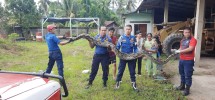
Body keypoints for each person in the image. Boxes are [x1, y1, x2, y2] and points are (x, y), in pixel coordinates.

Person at [174, 27, 197, 96]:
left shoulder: (193, 40)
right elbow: (181, 47)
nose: (187, 33)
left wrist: (180, 51)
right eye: (185, 32)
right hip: (182, 59)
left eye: (188, 32)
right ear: (183, 33)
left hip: (188, 60)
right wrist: (176, 50)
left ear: (190, 32)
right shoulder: (183, 40)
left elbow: (190, 49)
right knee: (182, 73)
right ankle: (182, 86)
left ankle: (187, 89)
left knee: (188, 75)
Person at [115, 25, 138, 91]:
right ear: (124, 30)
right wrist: (116, 52)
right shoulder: (121, 37)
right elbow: (117, 47)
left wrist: (136, 53)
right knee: (120, 71)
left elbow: (135, 48)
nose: (128, 30)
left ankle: (134, 86)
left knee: (132, 72)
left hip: (131, 57)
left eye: (129, 29)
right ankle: (117, 84)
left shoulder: (133, 38)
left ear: (131, 30)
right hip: (123, 57)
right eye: (127, 29)